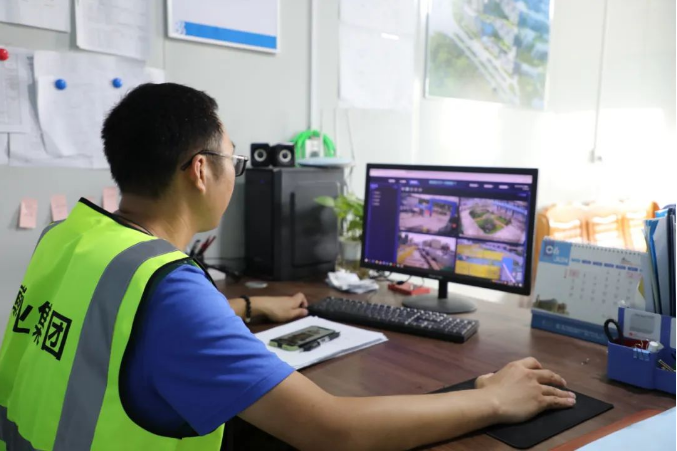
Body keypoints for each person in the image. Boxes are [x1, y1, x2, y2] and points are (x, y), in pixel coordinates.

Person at [0, 83, 575, 451]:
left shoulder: (72, 238)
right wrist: (494, 399)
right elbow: (332, 430)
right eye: (234, 160)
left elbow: (118, 324)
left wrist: (249, 305)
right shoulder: (170, 290)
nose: (236, 174)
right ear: (200, 170)